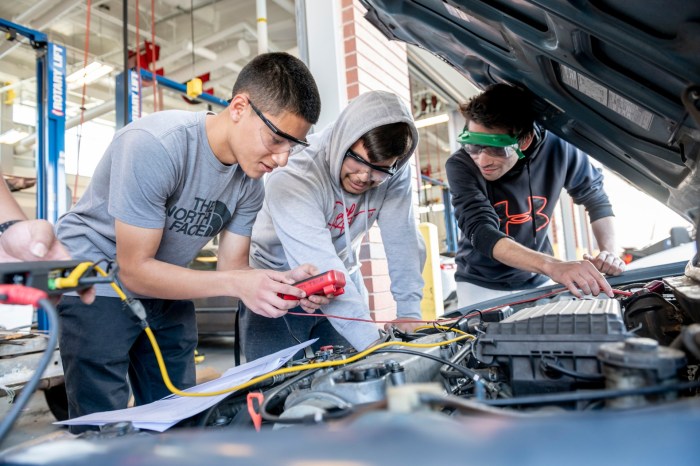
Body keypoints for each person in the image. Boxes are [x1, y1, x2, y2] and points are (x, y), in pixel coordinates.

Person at [55, 52, 323, 431]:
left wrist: (283, 284)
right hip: (97, 280)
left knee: (178, 413)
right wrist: (237, 282)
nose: (282, 158)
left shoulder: (250, 185)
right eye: (277, 138)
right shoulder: (156, 145)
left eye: (293, 146)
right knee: (104, 425)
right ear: (239, 107)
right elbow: (134, 271)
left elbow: (232, 271)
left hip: (165, 283)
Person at [239, 90, 426, 360]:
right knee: (277, 390)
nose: (364, 176)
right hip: (277, 288)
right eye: (359, 160)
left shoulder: (394, 171)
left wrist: (409, 312)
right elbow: (319, 263)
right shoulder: (295, 174)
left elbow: (403, 239)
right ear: (343, 141)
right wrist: (376, 349)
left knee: (354, 383)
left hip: (341, 286)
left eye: (379, 169)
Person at [445, 83, 626, 308]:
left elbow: (595, 198)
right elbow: (481, 231)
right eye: (473, 146)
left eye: (496, 149)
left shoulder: (561, 148)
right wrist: (554, 265)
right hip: (480, 285)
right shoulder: (460, 165)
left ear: (525, 140)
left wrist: (609, 252)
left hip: (539, 280)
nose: (483, 160)